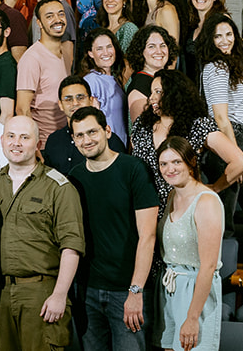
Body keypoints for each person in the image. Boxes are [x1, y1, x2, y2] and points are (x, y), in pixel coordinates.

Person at [0, 116, 84, 351]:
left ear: (38, 144)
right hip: (0, 293)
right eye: (11, 136)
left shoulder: (59, 187)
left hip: (41, 293)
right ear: (2, 140)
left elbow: (71, 246)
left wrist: (59, 295)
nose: (16, 143)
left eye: (24, 137)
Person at [62, 107, 158, 351]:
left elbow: (148, 236)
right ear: (73, 140)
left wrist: (135, 291)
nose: (87, 140)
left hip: (127, 291)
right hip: (88, 291)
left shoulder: (133, 169)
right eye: (80, 135)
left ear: (107, 130)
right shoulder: (74, 177)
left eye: (92, 132)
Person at [154, 137, 224, 351]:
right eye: (163, 164)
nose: (169, 169)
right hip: (169, 287)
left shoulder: (207, 202)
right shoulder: (171, 196)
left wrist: (192, 317)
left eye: (176, 162)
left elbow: (208, 266)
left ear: (191, 162)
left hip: (196, 291)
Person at [17, 0, 73, 138]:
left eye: (60, 14)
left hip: (65, 137)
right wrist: (34, 145)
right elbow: (22, 109)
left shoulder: (66, 52)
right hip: (44, 141)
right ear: (39, 23)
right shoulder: (31, 58)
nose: (57, 19)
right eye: (49, 16)